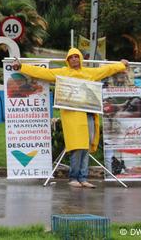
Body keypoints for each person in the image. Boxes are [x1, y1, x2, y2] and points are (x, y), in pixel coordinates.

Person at [12, 48, 128, 188]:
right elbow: (43, 72)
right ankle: (73, 178)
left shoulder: (89, 72)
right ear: (68, 60)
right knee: (76, 147)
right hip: (72, 116)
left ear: (80, 58)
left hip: (89, 115)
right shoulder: (62, 72)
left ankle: (83, 178)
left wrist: (121, 65)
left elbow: (107, 69)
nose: (74, 59)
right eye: (71, 57)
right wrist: (22, 67)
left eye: (76, 57)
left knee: (86, 148)